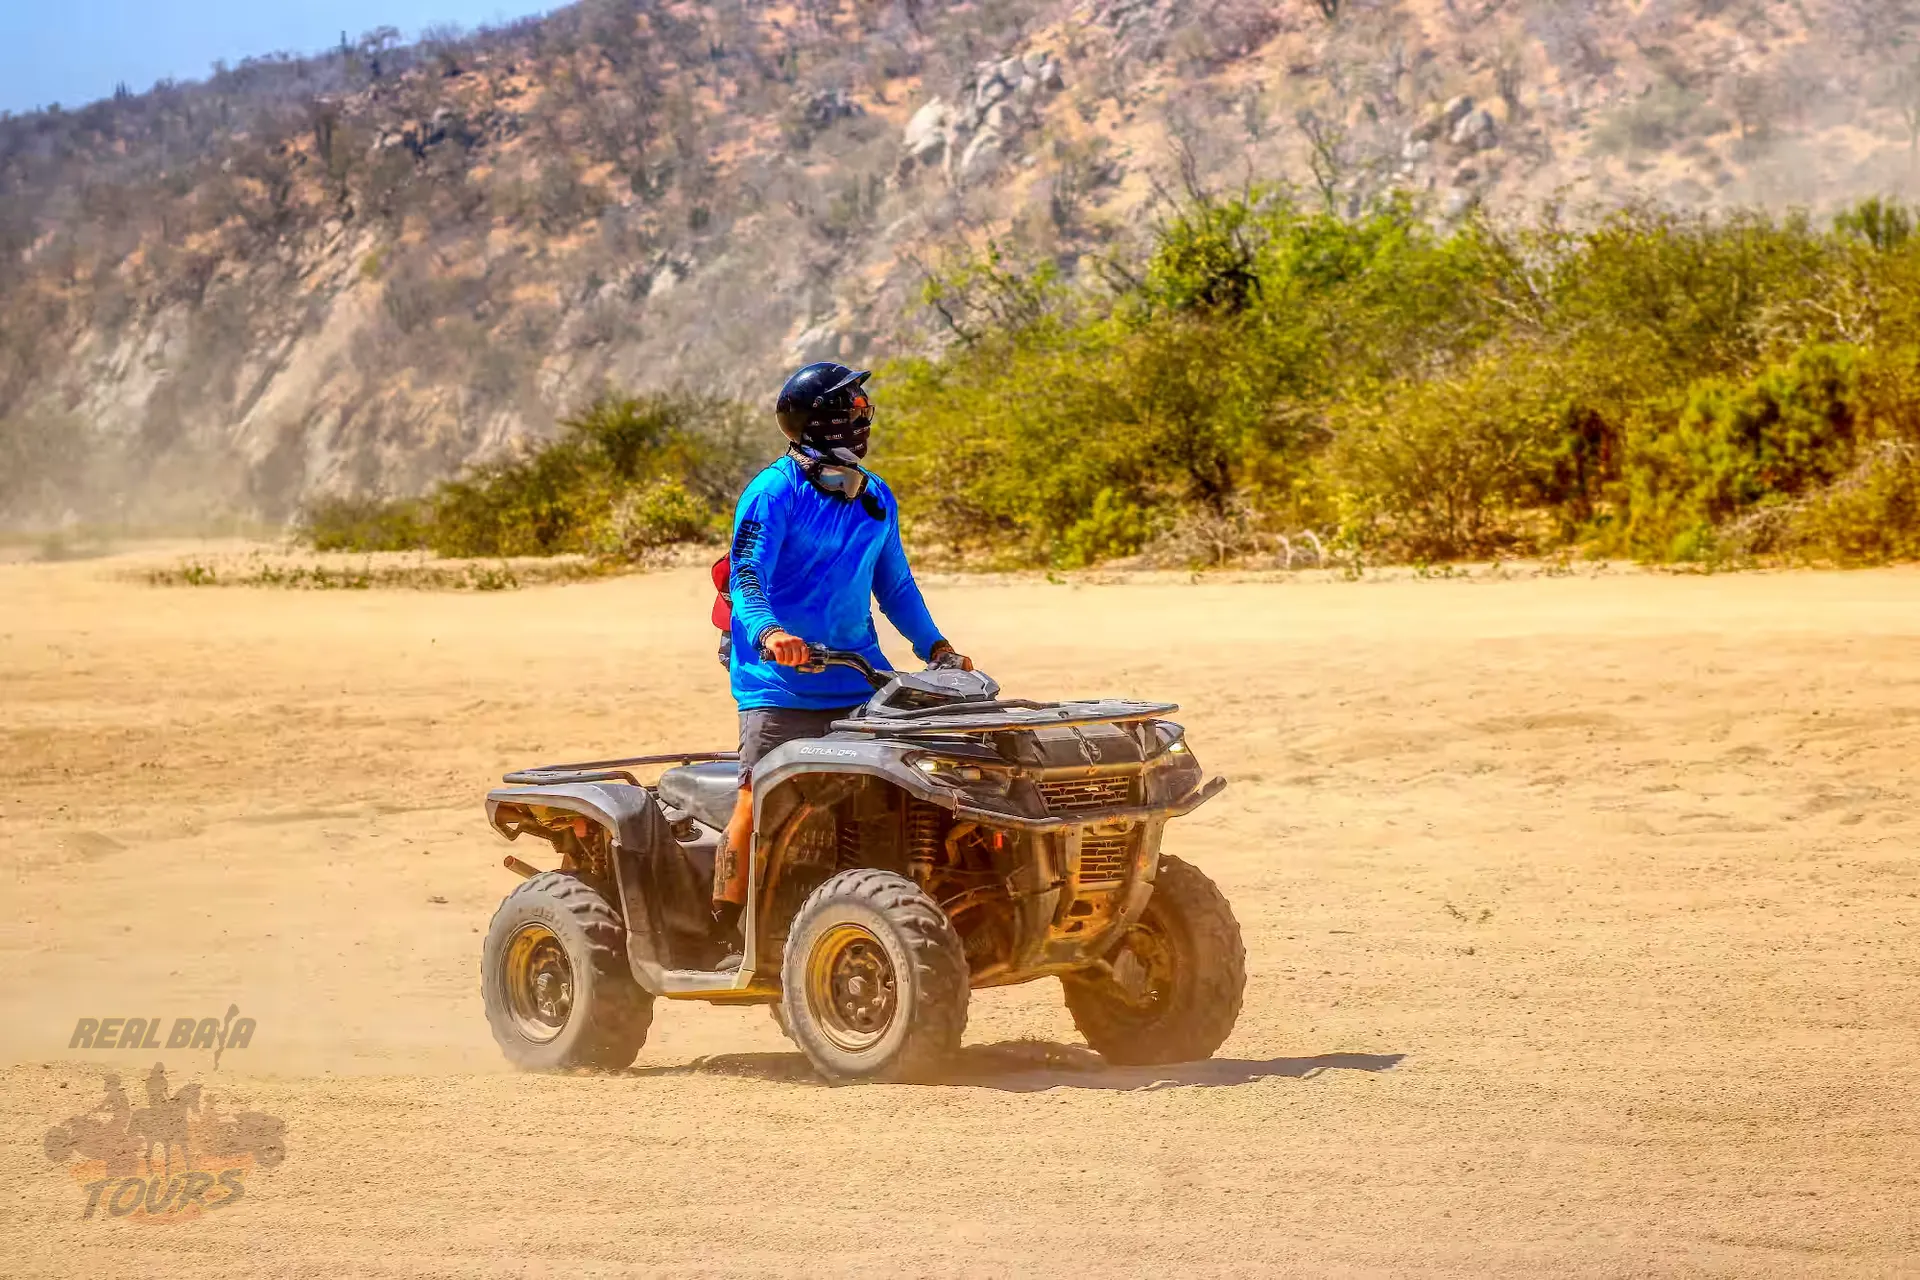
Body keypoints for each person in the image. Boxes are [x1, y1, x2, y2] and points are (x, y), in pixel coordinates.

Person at [714, 362, 969, 954]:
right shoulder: (773, 492)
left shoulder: (875, 494)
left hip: (861, 681)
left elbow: (896, 587)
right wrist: (772, 634)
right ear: (821, 420)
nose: (864, 416)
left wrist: (937, 648)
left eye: (864, 408)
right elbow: (748, 579)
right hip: (779, 684)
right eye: (853, 408)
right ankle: (725, 922)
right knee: (760, 795)